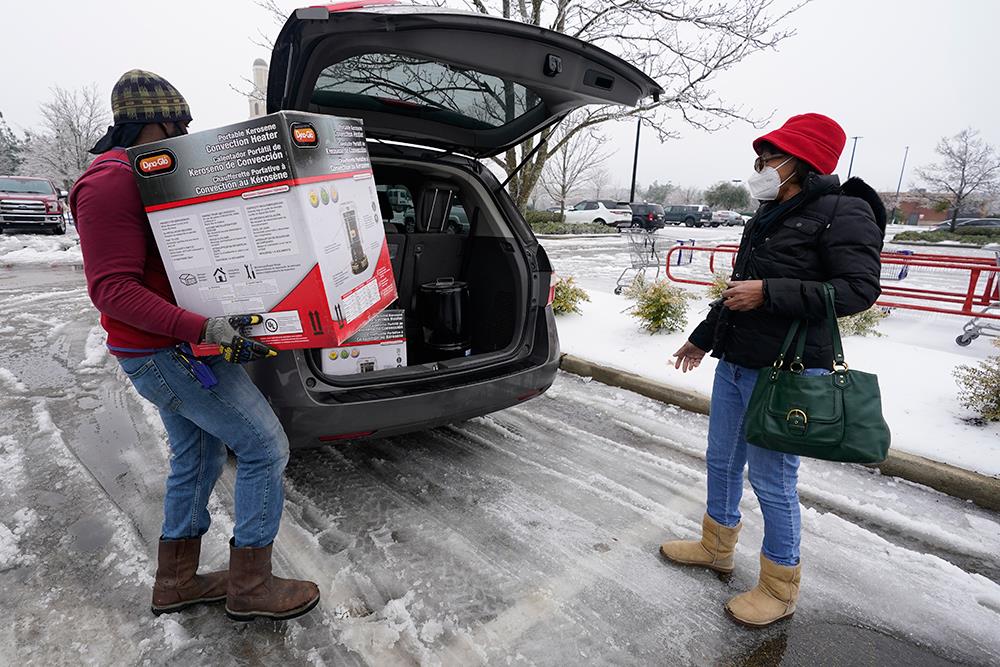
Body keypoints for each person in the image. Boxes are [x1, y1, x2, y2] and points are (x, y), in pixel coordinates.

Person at [70, 70, 320, 622]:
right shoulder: (111, 182)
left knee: (199, 453)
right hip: (165, 355)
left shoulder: (145, 175)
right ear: (149, 122)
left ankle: (176, 582)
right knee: (264, 447)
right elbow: (111, 290)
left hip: (179, 349)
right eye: (178, 122)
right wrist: (202, 329)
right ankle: (251, 586)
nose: (184, 131)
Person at [659, 113, 885, 627]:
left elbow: (859, 290)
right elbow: (740, 287)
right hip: (737, 362)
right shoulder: (766, 214)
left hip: (789, 372)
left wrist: (771, 293)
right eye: (758, 160)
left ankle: (779, 588)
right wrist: (701, 339)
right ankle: (716, 547)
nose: (760, 168)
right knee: (720, 461)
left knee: (772, 480)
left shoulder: (843, 211)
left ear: (801, 162)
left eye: (770, 160)